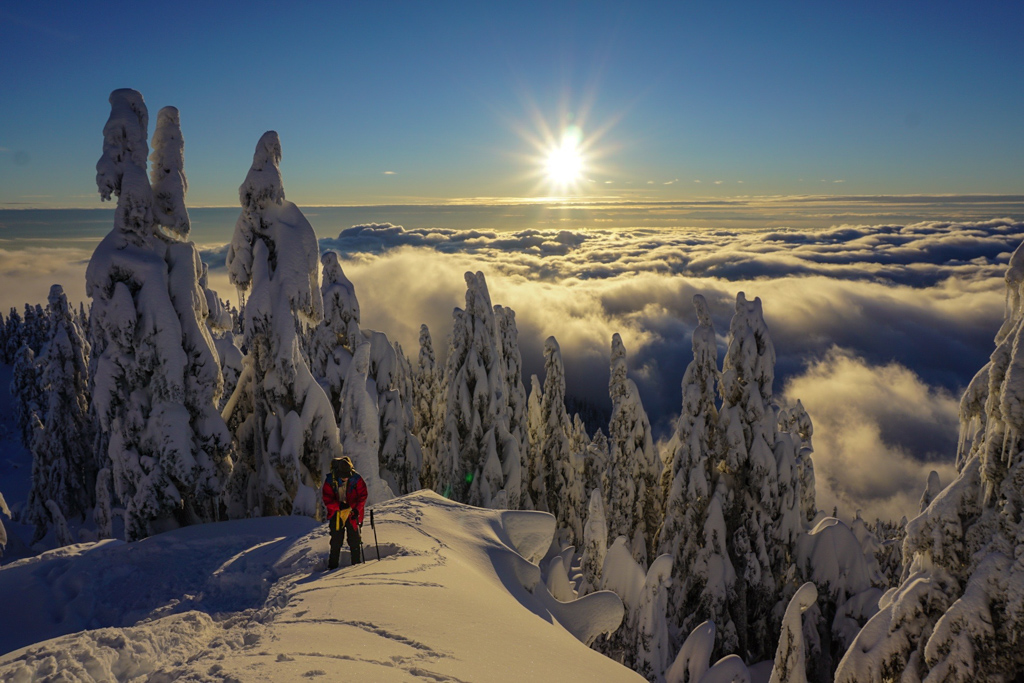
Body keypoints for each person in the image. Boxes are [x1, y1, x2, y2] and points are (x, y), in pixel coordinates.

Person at [322, 456, 368, 569]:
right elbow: (327, 499)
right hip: (336, 514)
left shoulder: (356, 479)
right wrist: (338, 506)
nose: (346, 479)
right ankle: (332, 567)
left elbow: (363, 495)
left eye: (347, 476)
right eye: (343, 477)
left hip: (353, 513)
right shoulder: (330, 481)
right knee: (336, 541)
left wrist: (357, 509)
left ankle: (356, 566)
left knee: (355, 540)